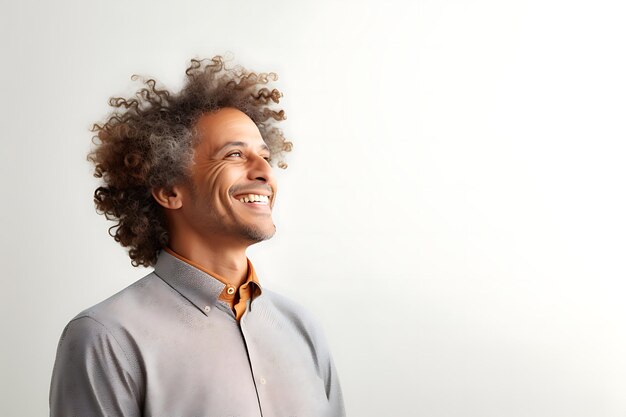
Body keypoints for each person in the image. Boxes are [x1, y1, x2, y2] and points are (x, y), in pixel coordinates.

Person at [49, 56, 346, 417]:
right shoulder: (106, 338)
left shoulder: (301, 328)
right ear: (170, 190)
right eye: (234, 154)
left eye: (265, 156)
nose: (265, 171)